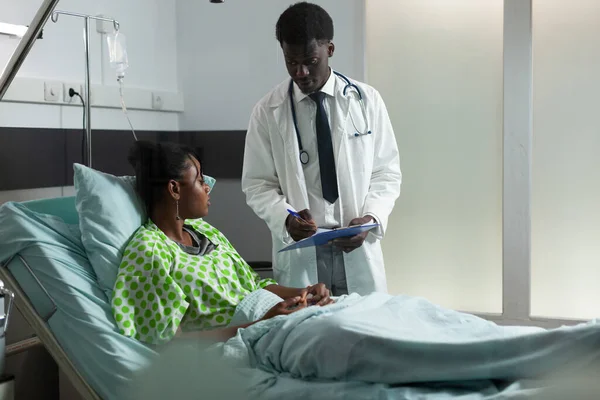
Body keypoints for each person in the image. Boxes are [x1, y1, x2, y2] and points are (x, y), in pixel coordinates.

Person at [241, 2, 402, 296]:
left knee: (362, 332)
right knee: (309, 336)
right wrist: (286, 218)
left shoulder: (367, 101)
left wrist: (372, 217)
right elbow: (257, 184)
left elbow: (387, 173)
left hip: (356, 247)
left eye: (310, 61)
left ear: (330, 49)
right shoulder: (267, 111)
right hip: (303, 254)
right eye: (291, 62)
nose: (300, 72)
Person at [111, 140, 332, 345]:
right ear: (174, 189)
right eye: (199, 180)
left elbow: (254, 285)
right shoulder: (149, 250)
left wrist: (306, 291)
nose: (207, 187)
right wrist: (259, 325)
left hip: (276, 317)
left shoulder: (206, 232)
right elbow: (172, 344)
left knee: (345, 315)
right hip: (247, 338)